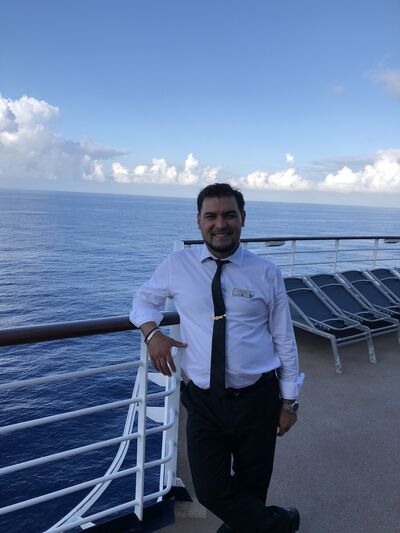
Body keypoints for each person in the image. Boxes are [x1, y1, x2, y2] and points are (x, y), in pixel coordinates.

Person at [130, 183, 302, 533]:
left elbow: (284, 339)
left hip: (258, 399)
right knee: (210, 489)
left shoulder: (266, 272)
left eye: (229, 215)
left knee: (253, 486)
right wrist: (152, 334)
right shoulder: (177, 265)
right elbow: (143, 300)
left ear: (243, 219)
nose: (220, 224)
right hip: (205, 401)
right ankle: (281, 523)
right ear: (199, 221)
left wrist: (289, 403)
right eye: (211, 216)